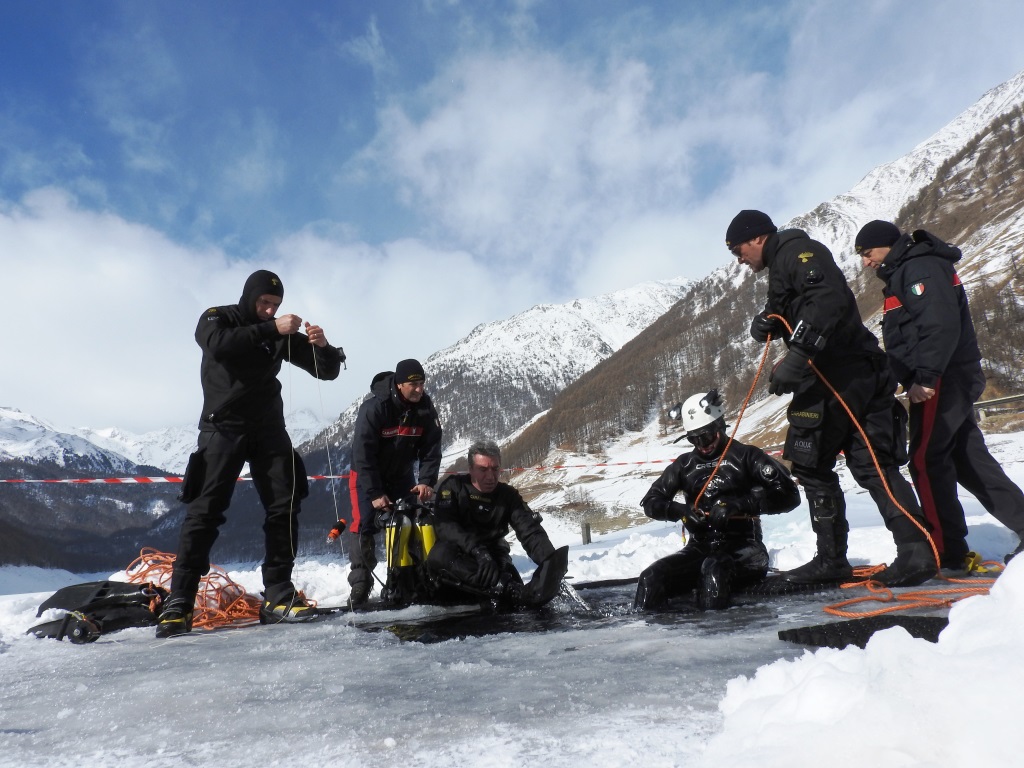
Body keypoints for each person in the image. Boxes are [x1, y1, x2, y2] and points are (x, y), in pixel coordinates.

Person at [725, 209, 935, 586]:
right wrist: (768, 320)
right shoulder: (783, 263)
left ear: (756, 238)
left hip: (840, 375)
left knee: (814, 463)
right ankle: (913, 551)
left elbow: (828, 300)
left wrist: (798, 355)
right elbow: (799, 305)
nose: (738, 258)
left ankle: (835, 559)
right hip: (849, 373)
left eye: (736, 249)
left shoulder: (798, 252)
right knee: (866, 463)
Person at [157, 269, 345, 638]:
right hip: (222, 428)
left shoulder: (278, 331)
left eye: (274, 306)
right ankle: (179, 602)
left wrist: (323, 346)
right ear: (249, 297)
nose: (268, 310)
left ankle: (278, 593)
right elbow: (218, 345)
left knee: (285, 503)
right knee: (204, 512)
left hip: (267, 429)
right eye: (263, 303)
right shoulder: (218, 317)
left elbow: (326, 373)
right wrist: (271, 330)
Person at [857, 220, 1024, 566]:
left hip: (940, 379)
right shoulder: (907, 270)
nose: (865, 262)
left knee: (925, 460)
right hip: (944, 376)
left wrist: (927, 378)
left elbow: (939, 325)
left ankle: (944, 549)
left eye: (867, 253)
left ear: (887, 245)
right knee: (967, 458)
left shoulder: (919, 268)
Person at [635, 390, 801, 609]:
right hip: (699, 547)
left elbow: (789, 494)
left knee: (714, 567)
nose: (702, 444)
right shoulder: (685, 465)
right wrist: (679, 511)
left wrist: (742, 504)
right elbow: (650, 501)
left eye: (706, 436)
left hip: (746, 547)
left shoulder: (746, 456)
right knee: (651, 576)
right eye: (694, 439)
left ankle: (718, 635)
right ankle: (650, 635)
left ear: (720, 426)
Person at [346, 359, 442, 605]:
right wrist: (375, 492)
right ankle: (360, 584)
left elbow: (431, 448)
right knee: (364, 524)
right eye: (414, 385)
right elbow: (362, 454)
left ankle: (406, 579)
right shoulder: (375, 408)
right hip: (367, 474)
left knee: (409, 519)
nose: (420, 389)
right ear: (399, 385)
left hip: (401, 474)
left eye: (422, 384)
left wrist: (426, 481)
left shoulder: (425, 408)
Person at [426, 440, 559, 604]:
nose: (490, 476)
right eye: (483, 470)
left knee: (525, 596)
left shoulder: (508, 495)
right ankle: (508, 589)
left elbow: (529, 530)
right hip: (460, 556)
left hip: (495, 559)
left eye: (495, 469)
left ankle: (511, 590)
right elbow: (446, 528)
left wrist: (551, 562)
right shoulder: (453, 487)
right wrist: (478, 551)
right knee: (438, 555)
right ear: (471, 470)